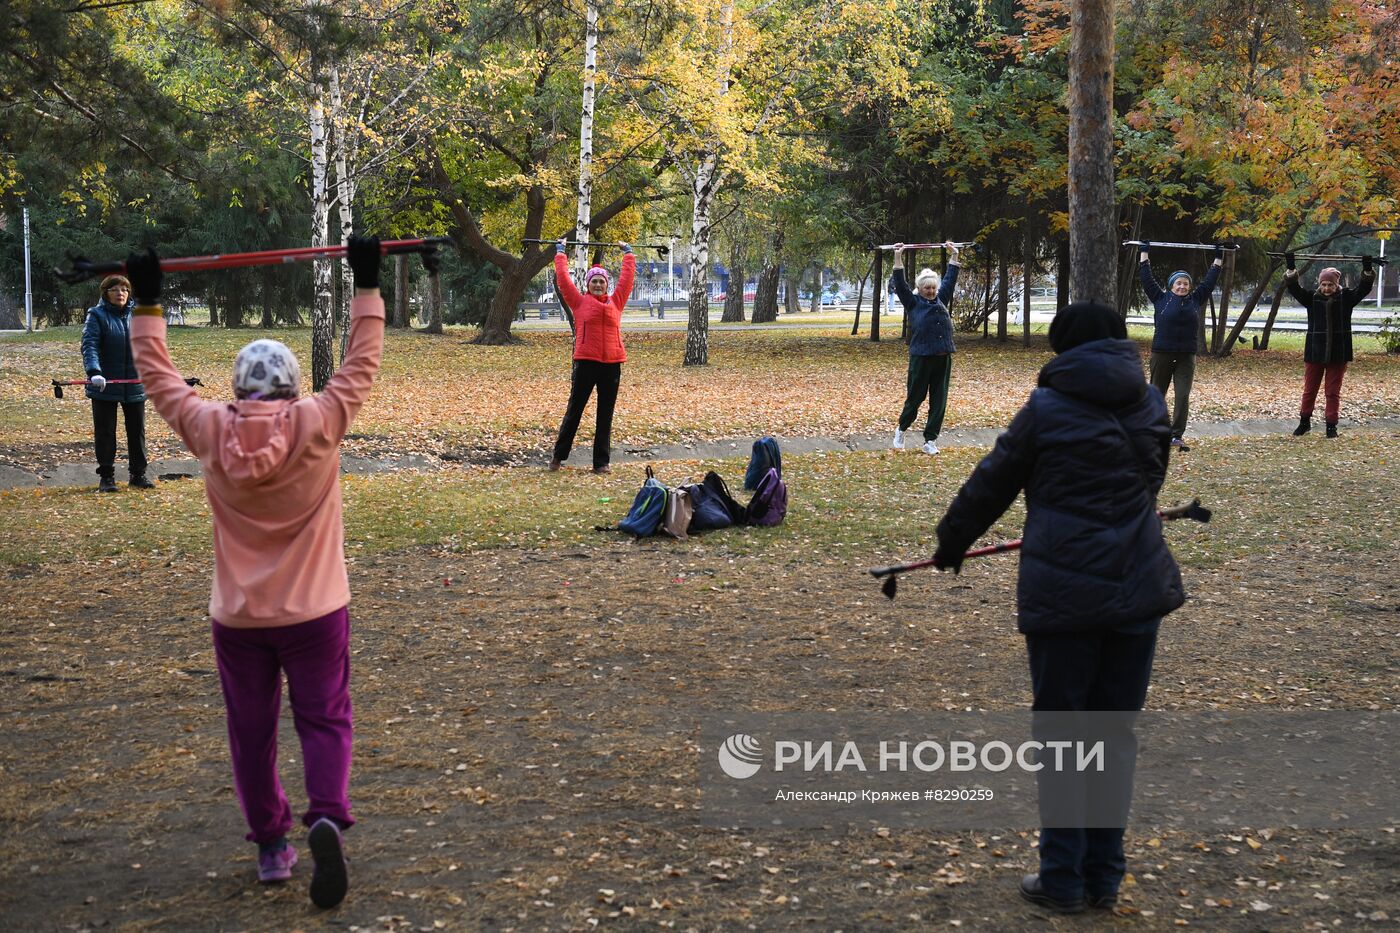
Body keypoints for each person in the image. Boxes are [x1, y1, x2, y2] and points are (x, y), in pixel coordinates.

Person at [126, 237, 386, 910]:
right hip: (316, 609)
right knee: (325, 718)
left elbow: (156, 377)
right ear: (295, 387)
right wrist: (367, 281)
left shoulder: (210, 426)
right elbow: (361, 364)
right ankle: (325, 812)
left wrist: (148, 302)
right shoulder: (318, 420)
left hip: (240, 617)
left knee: (251, 728)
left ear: (238, 389)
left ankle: (272, 843)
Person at [931, 301, 1184, 915]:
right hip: (1137, 584)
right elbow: (1152, 479)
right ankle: (1103, 877)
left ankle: (1065, 879)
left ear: (1063, 350)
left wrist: (952, 541)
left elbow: (994, 478)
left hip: (1066, 592)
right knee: (1112, 736)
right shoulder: (1151, 401)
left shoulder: (1047, 408)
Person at [549, 238, 635, 474]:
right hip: (586, 362)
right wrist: (560, 253)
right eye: (594, 282)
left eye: (602, 282)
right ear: (588, 285)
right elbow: (564, 281)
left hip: (612, 364)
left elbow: (627, 280)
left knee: (605, 415)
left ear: (607, 285)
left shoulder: (616, 301)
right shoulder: (579, 302)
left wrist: (628, 254)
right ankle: (558, 456)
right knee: (574, 411)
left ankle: (601, 463)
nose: (598, 285)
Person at [1137, 242, 1223, 450]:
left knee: (1182, 395)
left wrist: (1218, 258)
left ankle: (1176, 435)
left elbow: (1210, 281)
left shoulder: (1195, 299)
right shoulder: (1160, 298)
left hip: (1186, 356)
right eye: (1179, 283)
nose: (1182, 286)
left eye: (1186, 283)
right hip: (1162, 354)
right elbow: (1146, 278)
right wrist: (1144, 252)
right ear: (1172, 286)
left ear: (1190, 287)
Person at [1284, 253, 1375, 437]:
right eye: (1324, 284)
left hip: (1338, 354)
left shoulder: (1346, 298)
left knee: (1332, 392)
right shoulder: (1311, 298)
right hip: (1314, 353)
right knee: (1309, 391)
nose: (1326, 288)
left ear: (1336, 284)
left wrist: (1367, 270)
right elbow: (1294, 288)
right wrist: (1291, 267)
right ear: (1320, 284)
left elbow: (1364, 288)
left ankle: (1331, 426)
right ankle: (1304, 423)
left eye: (1330, 285)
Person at [82, 273, 153, 491]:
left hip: (135, 383)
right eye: (116, 289)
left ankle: (138, 475)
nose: (121, 293)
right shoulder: (96, 315)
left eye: (124, 289)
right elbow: (90, 345)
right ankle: (106, 477)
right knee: (105, 431)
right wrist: (94, 372)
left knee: (137, 430)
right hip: (105, 384)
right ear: (106, 293)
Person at [889, 241, 961, 454]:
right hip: (921, 358)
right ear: (919, 289)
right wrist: (898, 257)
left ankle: (930, 441)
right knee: (916, 398)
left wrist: (954, 255)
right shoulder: (912, 302)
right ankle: (901, 429)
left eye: (933, 288)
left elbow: (950, 278)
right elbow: (900, 283)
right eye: (927, 288)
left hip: (943, 357)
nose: (931, 291)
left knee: (939, 400)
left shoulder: (942, 298)